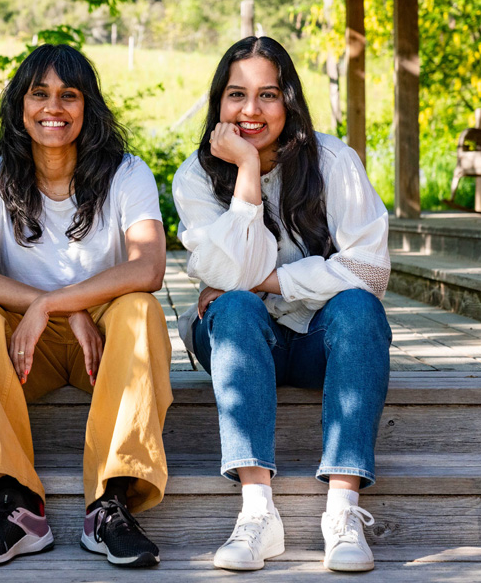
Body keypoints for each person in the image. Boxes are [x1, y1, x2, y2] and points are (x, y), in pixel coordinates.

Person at [0, 44, 173, 568]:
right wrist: (49, 309)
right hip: (30, 351)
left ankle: (109, 504)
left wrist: (60, 304)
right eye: (40, 93)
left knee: (140, 309)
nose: (54, 107)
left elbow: (148, 269)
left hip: (106, 341)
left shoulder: (126, 173)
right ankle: (18, 505)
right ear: (20, 106)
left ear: (87, 106)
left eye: (69, 95)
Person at [172, 36, 391, 573]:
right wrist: (246, 168)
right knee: (236, 308)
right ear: (217, 103)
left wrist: (272, 279)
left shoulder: (334, 161)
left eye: (267, 94)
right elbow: (228, 280)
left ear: (289, 100)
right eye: (236, 95)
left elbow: (369, 269)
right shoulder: (195, 177)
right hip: (238, 337)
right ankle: (257, 513)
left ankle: (342, 512)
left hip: (319, 341)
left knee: (361, 309)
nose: (250, 110)